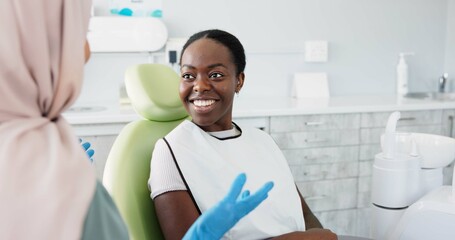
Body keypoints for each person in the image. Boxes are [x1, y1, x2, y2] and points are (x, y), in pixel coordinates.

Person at [149, 29, 338, 239]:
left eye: (215, 75)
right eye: (188, 76)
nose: (200, 86)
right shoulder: (171, 151)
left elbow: (304, 214)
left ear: (239, 81)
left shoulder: (262, 140)